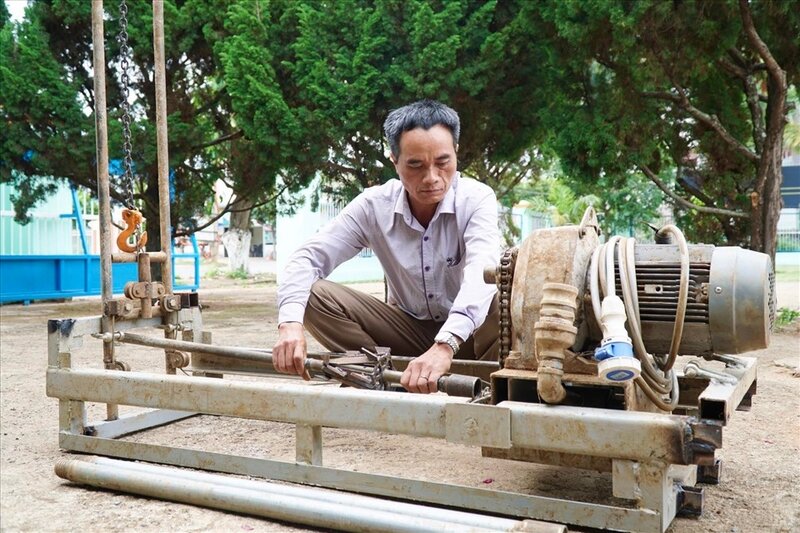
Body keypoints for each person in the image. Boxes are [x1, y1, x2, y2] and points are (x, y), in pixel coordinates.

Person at [272, 99, 500, 394]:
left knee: (496, 295)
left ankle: (488, 389)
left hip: (471, 340)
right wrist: (289, 324)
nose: (431, 178)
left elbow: (479, 277)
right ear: (394, 161)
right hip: (408, 334)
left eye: (443, 163)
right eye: (415, 165)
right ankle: (390, 381)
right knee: (313, 296)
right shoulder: (373, 205)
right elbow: (307, 258)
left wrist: (445, 346)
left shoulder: (477, 199)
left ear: (456, 153)